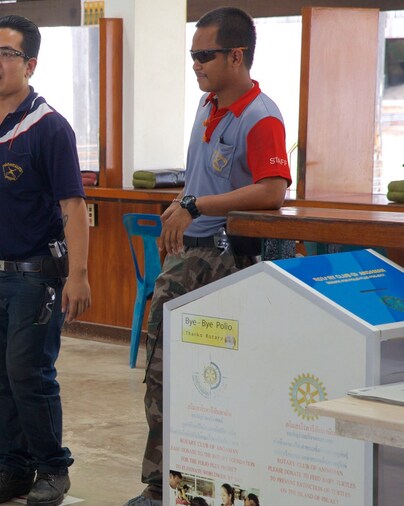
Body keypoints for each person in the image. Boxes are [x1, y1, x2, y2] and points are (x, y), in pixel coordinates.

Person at [124, 7, 291, 506]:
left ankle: (219, 484)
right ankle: (162, 483)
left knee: (218, 379)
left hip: (225, 263)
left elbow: (273, 190)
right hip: (186, 258)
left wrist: (198, 205)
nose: (195, 65)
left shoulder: (261, 117)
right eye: (192, 55)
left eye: (205, 55)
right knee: (162, 370)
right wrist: (180, 205)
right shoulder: (206, 105)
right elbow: (203, 179)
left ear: (236, 56)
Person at [0, 13, 92, 506]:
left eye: (7, 54)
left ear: (30, 65)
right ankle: (11, 468)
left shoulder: (50, 128)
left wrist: (77, 275)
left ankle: (52, 469)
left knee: (29, 375)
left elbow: (74, 207)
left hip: (37, 278)